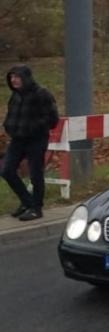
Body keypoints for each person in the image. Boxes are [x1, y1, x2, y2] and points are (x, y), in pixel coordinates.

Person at [3, 65, 60, 221]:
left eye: (17, 77)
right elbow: (11, 115)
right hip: (17, 139)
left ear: (26, 78)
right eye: (12, 77)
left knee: (35, 174)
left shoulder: (42, 94)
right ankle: (27, 202)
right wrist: (8, 126)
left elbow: (53, 119)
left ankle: (36, 208)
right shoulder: (15, 96)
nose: (13, 80)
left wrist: (34, 127)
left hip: (36, 139)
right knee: (7, 170)